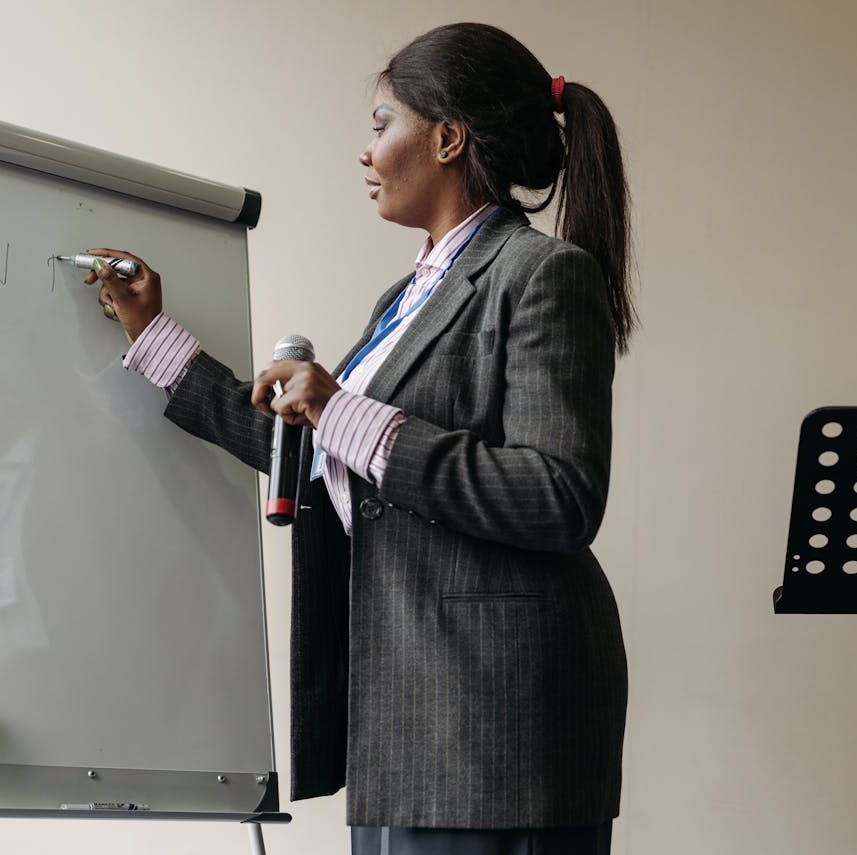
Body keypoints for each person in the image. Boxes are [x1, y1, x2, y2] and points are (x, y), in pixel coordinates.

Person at [86, 22, 633, 855]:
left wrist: (345, 412)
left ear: (448, 138)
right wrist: (153, 335)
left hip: (497, 721)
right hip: (406, 713)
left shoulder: (543, 274)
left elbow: (560, 493)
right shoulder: (403, 299)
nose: (366, 151)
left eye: (382, 124)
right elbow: (312, 445)